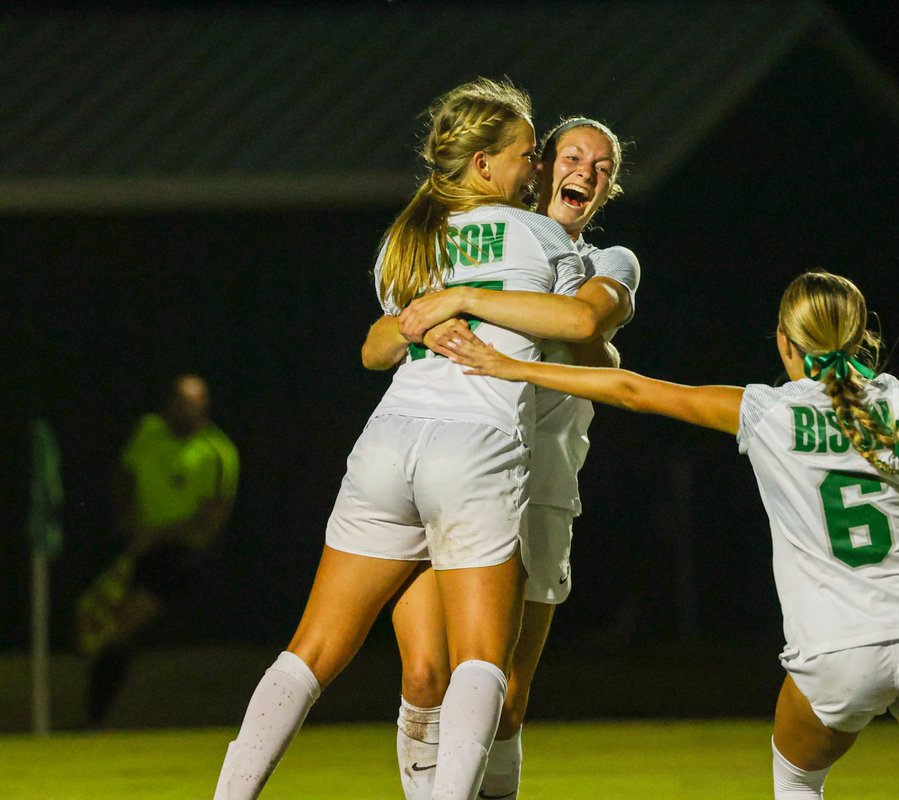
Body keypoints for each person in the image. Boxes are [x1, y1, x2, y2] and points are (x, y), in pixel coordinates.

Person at [436, 270, 899, 799]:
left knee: (797, 780)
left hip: (835, 649)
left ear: (784, 341)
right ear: (859, 335)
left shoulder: (765, 411)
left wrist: (509, 364)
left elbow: (633, 390)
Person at [213, 78, 605, 800]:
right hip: (475, 444)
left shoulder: (408, 236)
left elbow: (375, 348)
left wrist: (436, 308)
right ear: (484, 164)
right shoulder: (541, 234)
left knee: (312, 649)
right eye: (527, 154)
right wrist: (475, 302)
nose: (537, 167)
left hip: (388, 442)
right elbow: (582, 327)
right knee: (480, 661)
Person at [374, 117, 638, 800]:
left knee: (508, 698)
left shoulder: (608, 262)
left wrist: (510, 313)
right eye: (573, 156)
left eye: (603, 167)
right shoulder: (474, 246)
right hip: (457, 467)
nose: (586, 173)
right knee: (425, 677)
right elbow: (379, 340)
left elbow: (590, 336)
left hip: (543, 481)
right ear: (538, 166)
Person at [76, 374, 238, 726]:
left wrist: (157, 535)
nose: (185, 410)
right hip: (140, 552)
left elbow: (210, 522)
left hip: (184, 559)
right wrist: (131, 521)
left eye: (193, 404)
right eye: (180, 402)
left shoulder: (218, 452)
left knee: (119, 631)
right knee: (96, 623)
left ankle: (93, 721)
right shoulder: (148, 431)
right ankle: (93, 721)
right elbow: (125, 475)